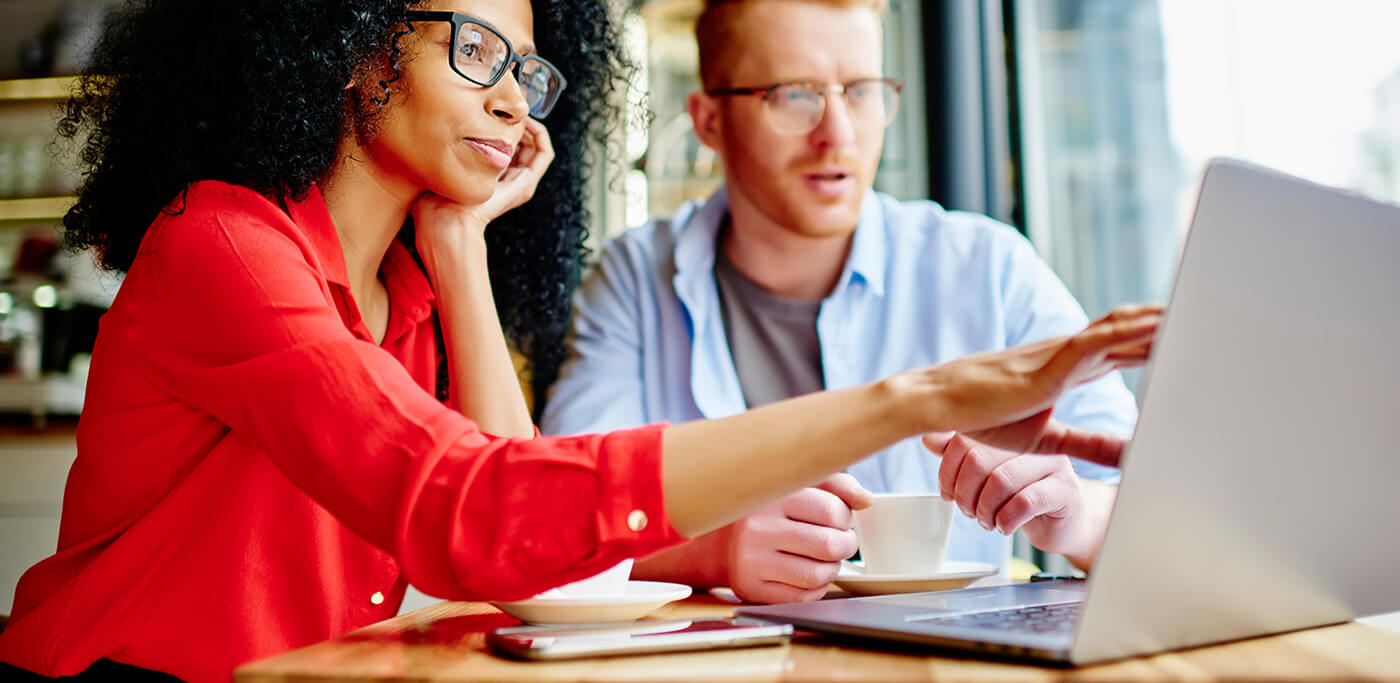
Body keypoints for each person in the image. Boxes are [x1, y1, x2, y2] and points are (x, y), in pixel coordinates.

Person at [0, 0, 1159, 680]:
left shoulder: (412, 287)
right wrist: (916, 398)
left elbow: (518, 539)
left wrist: (458, 247)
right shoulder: (224, 245)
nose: (513, 101)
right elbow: (463, 508)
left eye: (528, 70)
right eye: (473, 52)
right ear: (350, 47)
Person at [540, 0, 1140, 604]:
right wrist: (709, 553)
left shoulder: (988, 269)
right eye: (794, 95)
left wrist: (1074, 516)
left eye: (861, 91)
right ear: (710, 121)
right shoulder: (635, 280)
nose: (839, 133)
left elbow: (1165, 513)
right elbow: (560, 517)